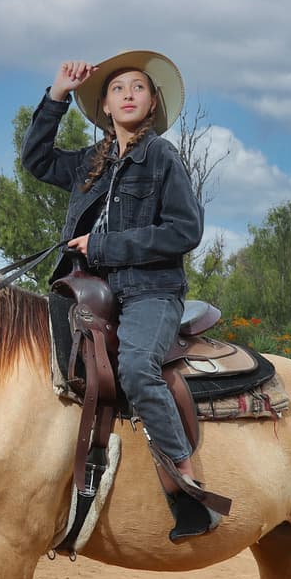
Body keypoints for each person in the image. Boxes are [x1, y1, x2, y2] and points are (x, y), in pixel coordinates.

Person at [21, 49, 225, 541]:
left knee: (136, 367)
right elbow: (36, 160)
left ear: (152, 104)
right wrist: (56, 95)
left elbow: (185, 230)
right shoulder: (93, 160)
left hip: (149, 293)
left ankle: (186, 484)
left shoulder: (161, 157)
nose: (128, 94)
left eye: (138, 87)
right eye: (117, 89)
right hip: (87, 290)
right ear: (105, 108)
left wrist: (105, 244)